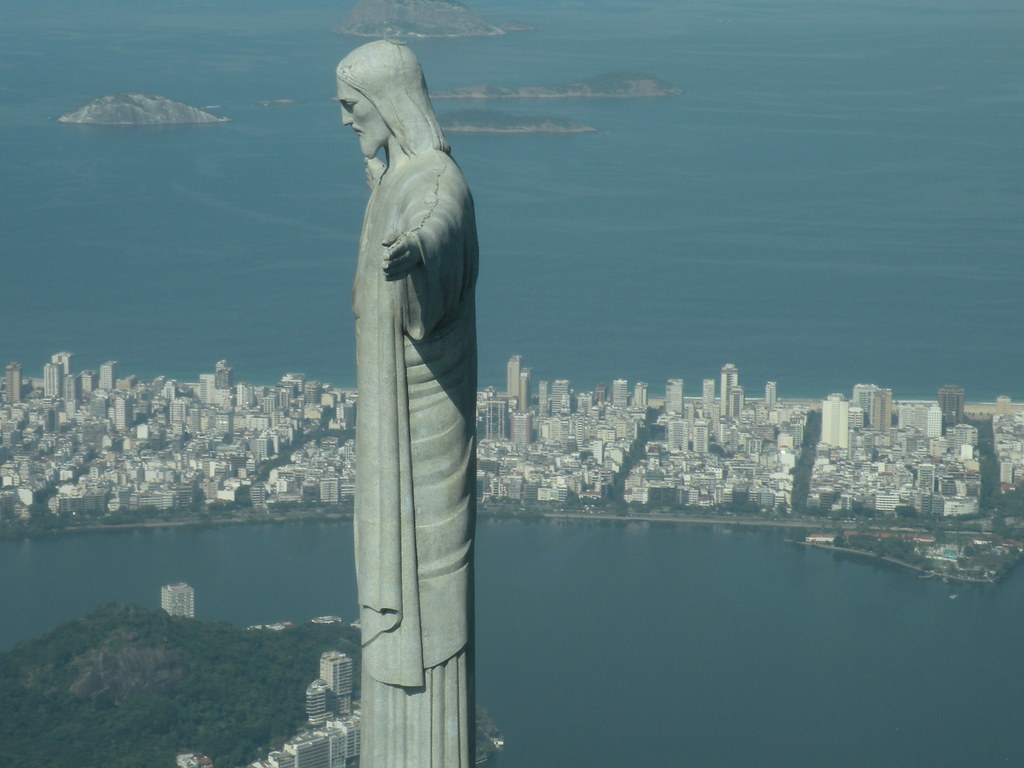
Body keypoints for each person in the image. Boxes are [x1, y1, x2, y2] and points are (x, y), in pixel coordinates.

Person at [337, 40, 478, 768]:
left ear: (389, 104)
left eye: (351, 105)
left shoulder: (436, 179)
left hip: (423, 425)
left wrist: (418, 251)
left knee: (428, 601)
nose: (344, 119)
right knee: (396, 604)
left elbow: (441, 217)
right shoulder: (399, 177)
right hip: (387, 423)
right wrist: (380, 185)